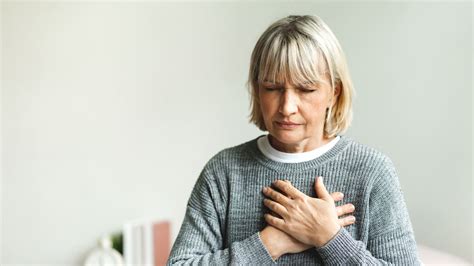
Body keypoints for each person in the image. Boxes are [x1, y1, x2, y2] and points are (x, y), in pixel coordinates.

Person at [167, 15, 421, 265]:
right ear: (257, 90)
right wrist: (271, 243)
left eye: (306, 89)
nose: (287, 107)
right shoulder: (223, 171)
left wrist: (329, 238)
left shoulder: (372, 171)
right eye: (272, 88)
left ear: (334, 92)